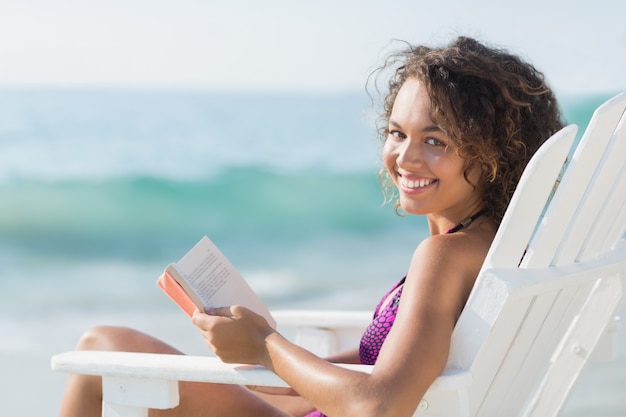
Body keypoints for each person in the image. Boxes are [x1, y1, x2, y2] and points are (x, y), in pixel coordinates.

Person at [59, 36, 564, 417]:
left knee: (101, 349)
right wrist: (270, 360)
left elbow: (380, 403)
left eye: (436, 140)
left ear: (497, 154)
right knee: (108, 347)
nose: (406, 157)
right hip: (314, 403)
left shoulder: (444, 256)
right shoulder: (490, 245)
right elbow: (394, 365)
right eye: (396, 133)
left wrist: (265, 347)